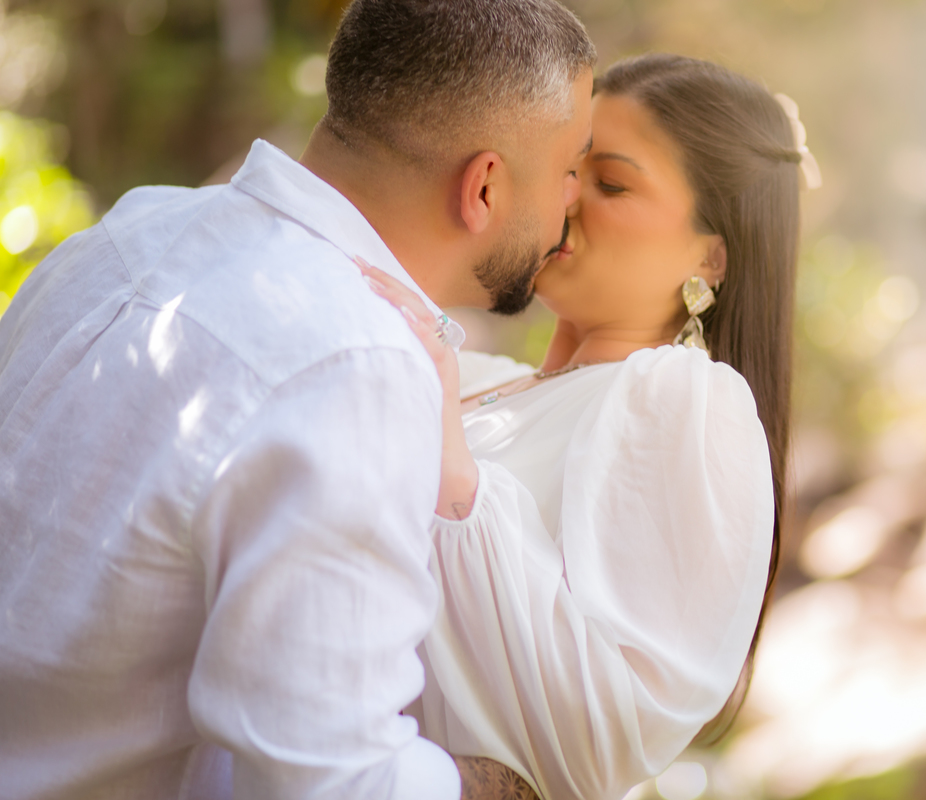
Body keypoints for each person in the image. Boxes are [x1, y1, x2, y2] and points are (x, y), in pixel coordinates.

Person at [0, 2, 593, 798]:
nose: (573, 200)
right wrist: (498, 785)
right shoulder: (356, 364)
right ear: (483, 186)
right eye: (569, 167)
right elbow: (332, 781)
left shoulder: (126, 233)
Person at [360, 52, 820, 800]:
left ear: (711, 253)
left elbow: (604, 730)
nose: (566, 197)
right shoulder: (489, 385)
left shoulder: (685, 399)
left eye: (610, 183)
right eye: (568, 168)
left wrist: (451, 466)